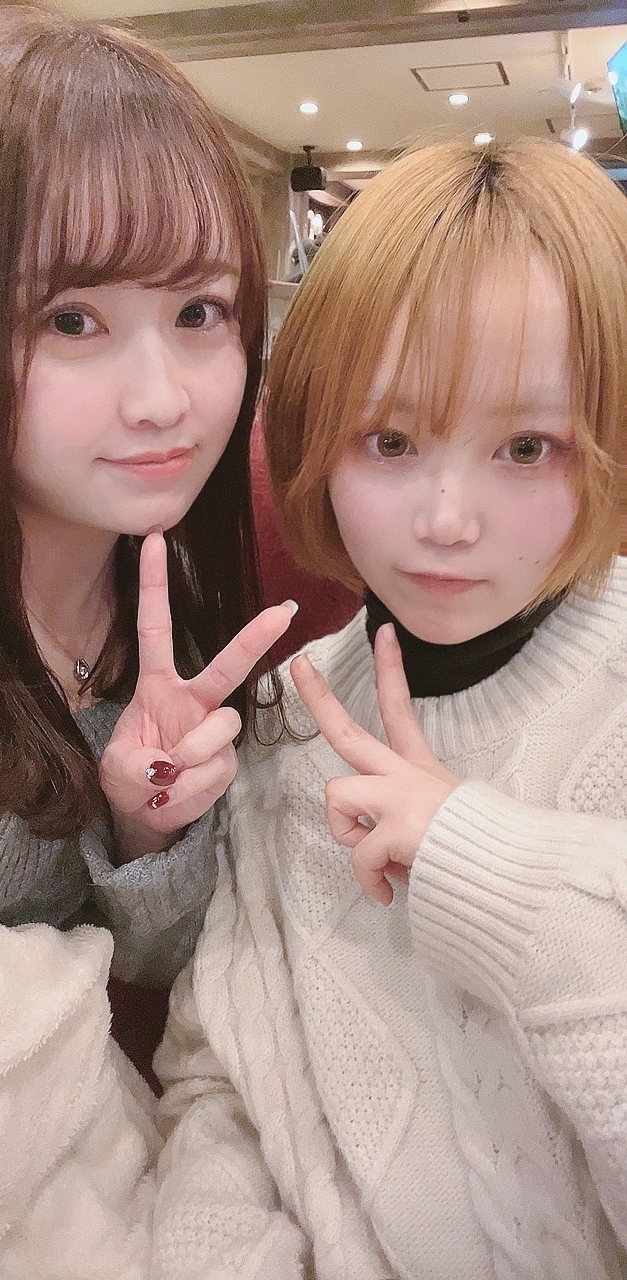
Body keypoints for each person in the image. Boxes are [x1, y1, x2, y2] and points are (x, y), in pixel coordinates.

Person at [152, 138, 627, 1280]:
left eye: (527, 446)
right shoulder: (284, 721)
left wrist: (479, 859)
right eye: (392, 441)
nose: (447, 519)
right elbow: (224, 1081)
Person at [0, 7, 295, 990]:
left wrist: (144, 824)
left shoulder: (176, 601)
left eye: (199, 311)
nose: (162, 400)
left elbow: (163, 978)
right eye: (72, 320)